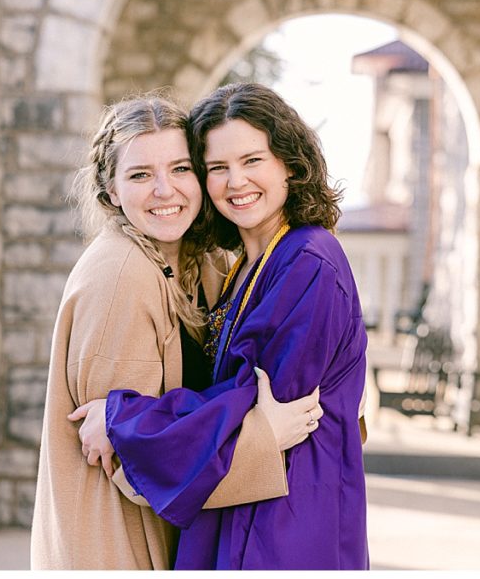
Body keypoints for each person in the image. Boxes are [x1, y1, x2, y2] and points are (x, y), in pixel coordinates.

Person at [73, 83, 369, 570]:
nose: (236, 182)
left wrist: (122, 419)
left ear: (289, 165)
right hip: (242, 504)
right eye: (217, 168)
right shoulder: (240, 265)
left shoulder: (309, 262)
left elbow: (251, 406)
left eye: (252, 161)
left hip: (289, 520)